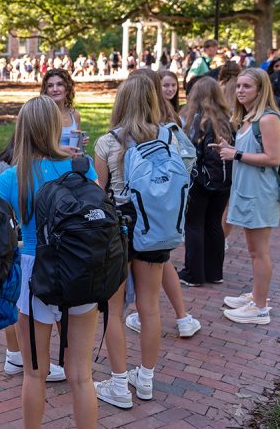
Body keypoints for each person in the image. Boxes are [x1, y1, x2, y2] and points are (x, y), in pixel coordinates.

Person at [0, 95, 99, 429]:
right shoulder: (81, 166)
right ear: (57, 126)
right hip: (81, 270)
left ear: (21, 130)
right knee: (81, 376)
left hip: (33, 273)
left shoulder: (11, 178)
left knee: (34, 373)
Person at [93, 75, 174, 409]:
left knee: (114, 309)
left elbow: (99, 193)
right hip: (155, 228)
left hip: (119, 228)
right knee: (150, 306)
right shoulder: (169, 136)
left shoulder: (107, 143)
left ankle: (118, 383)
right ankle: (146, 379)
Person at [0, 138, 67, 384]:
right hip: (47, 257)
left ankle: (15, 355)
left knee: (12, 294)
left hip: (9, 243)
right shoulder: (19, 174)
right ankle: (29, 359)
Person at [122, 69, 200, 338]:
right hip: (163, 214)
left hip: (136, 216)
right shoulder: (167, 123)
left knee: (143, 294)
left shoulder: (123, 135)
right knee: (161, 265)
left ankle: (180, 316)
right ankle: (182, 317)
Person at [214, 68, 280, 325]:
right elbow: (252, 151)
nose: (240, 90)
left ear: (260, 90)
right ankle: (256, 296)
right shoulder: (248, 119)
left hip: (260, 194)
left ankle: (260, 307)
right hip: (247, 191)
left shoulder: (267, 119)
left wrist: (237, 155)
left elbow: (273, 158)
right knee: (255, 250)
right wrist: (230, 149)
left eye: (247, 87)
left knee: (259, 252)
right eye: (239, 86)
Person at [177, 77, 234, 286]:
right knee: (213, 225)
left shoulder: (197, 120)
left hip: (200, 181)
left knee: (194, 225)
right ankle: (214, 272)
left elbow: (192, 154)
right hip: (223, 182)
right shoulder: (227, 120)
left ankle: (194, 274)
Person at [41, 68, 84, 155]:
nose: (55, 89)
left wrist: (80, 142)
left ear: (67, 89)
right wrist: (62, 149)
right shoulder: (41, 115)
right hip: (48, 162)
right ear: (46, 91)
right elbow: (36, 146)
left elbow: (78, 149)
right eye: (50, 86)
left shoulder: (75, 116)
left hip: (71, 162)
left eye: (60, 84)